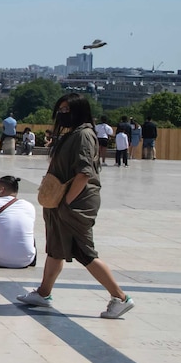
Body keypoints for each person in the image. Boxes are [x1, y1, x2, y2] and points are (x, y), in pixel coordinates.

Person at [17, 93, 135, 319]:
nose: (62, 115)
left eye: (66, 110)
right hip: (62, 201)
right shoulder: (74, 134)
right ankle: (43, 293)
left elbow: (84, 173)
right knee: (56, 248)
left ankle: (120, 297)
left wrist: (68, 202)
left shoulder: (83, 136)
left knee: (84, 252)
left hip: (75, 202)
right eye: (60, 110)